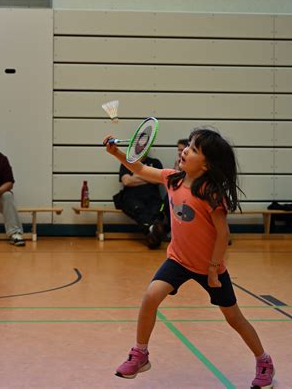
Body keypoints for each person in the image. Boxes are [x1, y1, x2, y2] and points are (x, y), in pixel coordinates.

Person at [104, 128, 275, 388]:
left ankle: (264, 361)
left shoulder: (211, 193)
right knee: (151, 296)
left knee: (234, 318)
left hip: (210, 267)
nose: (185, 150)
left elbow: (223, 233)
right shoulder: (173, 179)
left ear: (207, 165)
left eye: (194, 149)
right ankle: (140, 353)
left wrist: (214, 269)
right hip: (178, 261)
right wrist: (116, 153)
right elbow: (139, 169)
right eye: (188, 146)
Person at [115, 155, 165, 249]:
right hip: (132, 198)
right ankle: (153, 231)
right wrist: (149, 178)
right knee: (140, 211)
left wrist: (138, 175)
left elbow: (159, 180)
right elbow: (127, 181)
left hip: (153, 198)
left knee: (157, 213)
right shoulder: (127, 163)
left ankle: (152, 233)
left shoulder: (155, 162)